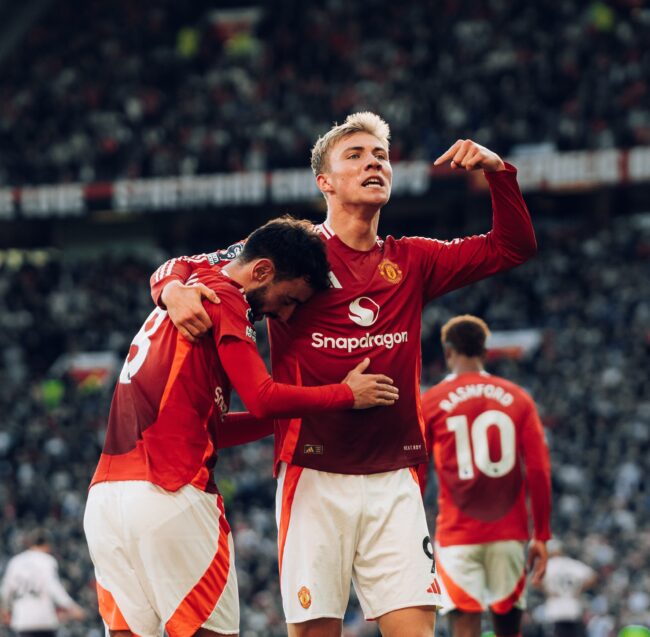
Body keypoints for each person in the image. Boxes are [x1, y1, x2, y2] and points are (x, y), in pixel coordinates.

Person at [150, 112, 537, 637]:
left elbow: (512, 247)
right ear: (325, 182)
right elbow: (181, 264)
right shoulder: (293, 254)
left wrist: (498, 173)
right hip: (313, 476)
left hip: (394, 477)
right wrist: (171, 291)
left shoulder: (413, 259)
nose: (373, 163)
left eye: (381, 156)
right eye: (354, 156)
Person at [83, 216, 399, 637]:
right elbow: (262, 397)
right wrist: (344, 395)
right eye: (289, 299)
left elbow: (213, 426)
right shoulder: (226, 295)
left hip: (107, 503)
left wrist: (293, 416)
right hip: (172, 493)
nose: (284, 314)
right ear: (262, 271)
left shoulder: (191, 286)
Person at [419, 315, 552, 637]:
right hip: (509, 533)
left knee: (464, 627)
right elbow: (538, 470)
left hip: (457, 535)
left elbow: (417, 470)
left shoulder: (431, 401)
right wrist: (541, 534)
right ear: (485, 351)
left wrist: (412, 530)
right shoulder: (518, 397)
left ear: (448, 352)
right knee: (508, 629)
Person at [0, 529, 85, 637]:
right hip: (44, 619)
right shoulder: (47, 560)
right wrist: (72, 607)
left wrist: (4, 610)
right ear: (47, 544)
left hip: (22, 620)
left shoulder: (15, 562)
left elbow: (5, 591)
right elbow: (54, 587)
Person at [540, 540, 597, 637]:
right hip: (573, 606)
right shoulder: (572, 564)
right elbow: (593, 577)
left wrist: (547, 590)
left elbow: (535, 580)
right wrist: (579, 589)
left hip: (555, 607)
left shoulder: (548, 565)